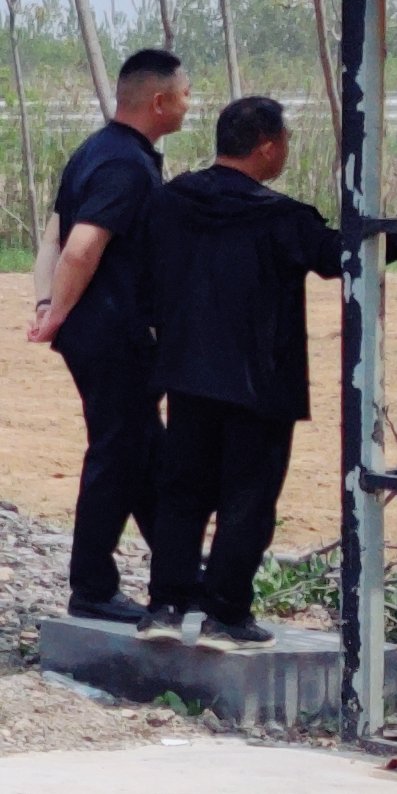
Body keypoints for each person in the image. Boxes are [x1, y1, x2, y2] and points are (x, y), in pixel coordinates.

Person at [138, 97, 332, 648]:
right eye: (286, 142)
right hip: (259, 383)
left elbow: (143, 275)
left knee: (182, 492)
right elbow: (346, 257)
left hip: (187, 374)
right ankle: (225, 613)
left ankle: (167, 606)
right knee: (248, 500)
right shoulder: (281, 218)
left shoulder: (170, 202)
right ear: (268, 147)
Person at [26, 49, 189, 625]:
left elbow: (50, 238)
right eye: (185, 94)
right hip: (113, 333)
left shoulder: (95, 151)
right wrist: (57, 313)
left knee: (148, 453)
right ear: (159, 101)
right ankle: (92, 587)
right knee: (118, 453)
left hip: (97, 330)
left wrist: (48, 304)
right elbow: (81, 246)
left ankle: (182, 579)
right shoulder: (124, 166)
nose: (190, 104)